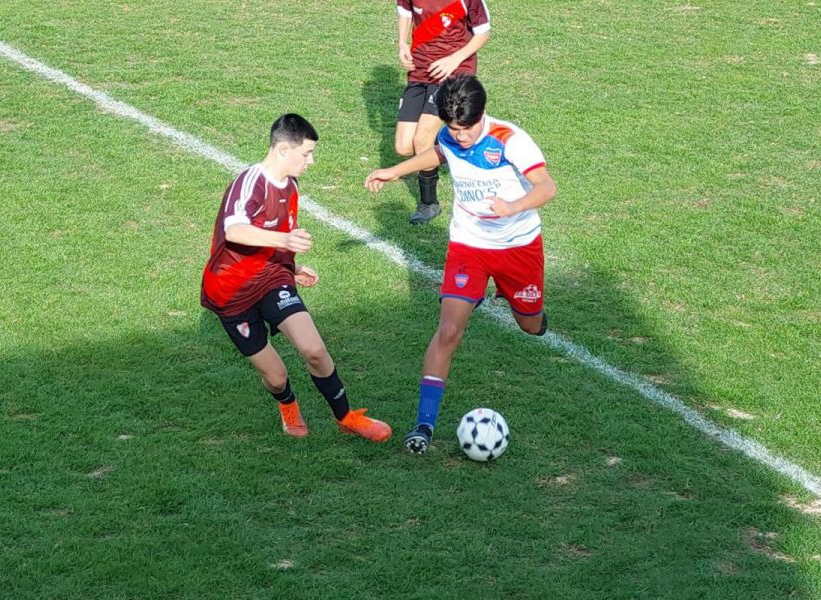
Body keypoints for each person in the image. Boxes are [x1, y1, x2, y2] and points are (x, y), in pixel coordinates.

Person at [365, 76, 556, 454]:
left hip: (518, 247)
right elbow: (439, 152)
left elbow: (546, 187)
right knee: (449, 329)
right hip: (468, 245)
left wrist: (512, 207)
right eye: (454, 129)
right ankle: (423, 425)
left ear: (482, 114)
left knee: (530, 326)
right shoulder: (452, 134)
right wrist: (394, 171)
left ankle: (514, 301)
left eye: (466, 130)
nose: (461, 137)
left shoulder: (510, 139)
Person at [202, 114, 391, 442]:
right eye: (306, 154)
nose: (311, 161)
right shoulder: (250, 183)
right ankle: (288, 405)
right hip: (230, 291)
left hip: (272, 278)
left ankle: (346, 416)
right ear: (283, 150)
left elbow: (279, 233)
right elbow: (235, 230)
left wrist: (294, 266)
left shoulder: (291, 185)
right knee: (275, 377)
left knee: (314, 349)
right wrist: (285, 242)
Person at [394, 0, 491, 224]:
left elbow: (483, 32)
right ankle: (451, 143)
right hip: (420, 70)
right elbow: (405, 12)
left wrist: (455, 58)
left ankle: (429, 204)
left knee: (422, 140)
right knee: (403, 146)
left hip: (453, 72)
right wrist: (402, 44)